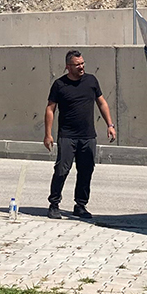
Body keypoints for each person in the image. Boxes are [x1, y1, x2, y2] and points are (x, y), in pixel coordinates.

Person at [44, 50, 115, 219]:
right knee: (62, 170)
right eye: (77, 64)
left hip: (88, 136)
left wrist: (110, 125)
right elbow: (50, 109)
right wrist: (48, 134)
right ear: (68, 67)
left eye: (82, 63)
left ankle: (80, 205)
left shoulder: (91, 81)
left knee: (86, 170)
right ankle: (54, 204)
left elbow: (102, 102)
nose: (81, 67)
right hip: (67, 135)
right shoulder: (59, 85)